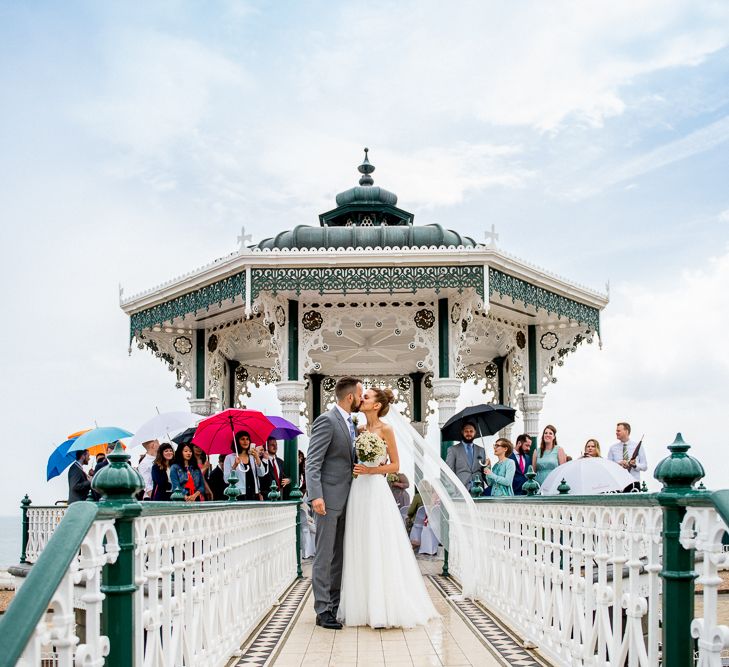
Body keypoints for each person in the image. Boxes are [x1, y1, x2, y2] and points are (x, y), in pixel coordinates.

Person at [338, 385, 438, 629]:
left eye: (367, 397)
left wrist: (372, 469)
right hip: (358, 491)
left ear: (377, 405)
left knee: (378, 541)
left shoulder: (386, 429)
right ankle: (360, 605)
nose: (362, 399)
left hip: (376, 490)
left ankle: (383, 606)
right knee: (359, 541)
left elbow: (395, 465)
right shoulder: (358, 429)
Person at [305, 377, 362, 630]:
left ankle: (335, 604)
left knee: (339, 556)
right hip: (327, 500)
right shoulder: (327, 421)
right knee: (324, 556)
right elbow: (313, 461)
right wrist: (316, 495)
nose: (362, 399)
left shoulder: (351, 424)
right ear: (350, 397)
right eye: (360, 395)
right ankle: (322, 609)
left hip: (348, 499)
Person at [224, 431, 266, 501]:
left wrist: (257, 457)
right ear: (237, 441)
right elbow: (226, 480)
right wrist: (235, 465)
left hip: (254, 494)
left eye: (247, 439)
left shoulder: (252, 457)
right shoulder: (229, 458)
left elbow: (262, 473)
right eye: (242, 439)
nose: (245, 441)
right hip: (239, 494)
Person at [445, 422, 486, 490]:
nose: (469, 433)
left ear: (475, 432)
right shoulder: (453, 450)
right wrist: (451, 492)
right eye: (466, 431)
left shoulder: (482, 450)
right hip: (460, 490)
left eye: (471, 431)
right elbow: (449, 471)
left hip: (478, 489)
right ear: (462, 432)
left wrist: (488, 465)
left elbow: (485, 472)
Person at [607, 422, 646, 489]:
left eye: (618, 431)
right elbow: (609, 466)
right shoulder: (612, 448)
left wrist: (634, 465)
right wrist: (618, 464)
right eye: (616, 431)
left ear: (626, 431)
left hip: (634, 483)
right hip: (618, 484)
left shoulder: (638, 446)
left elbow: (644, 466)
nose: (616, 433)